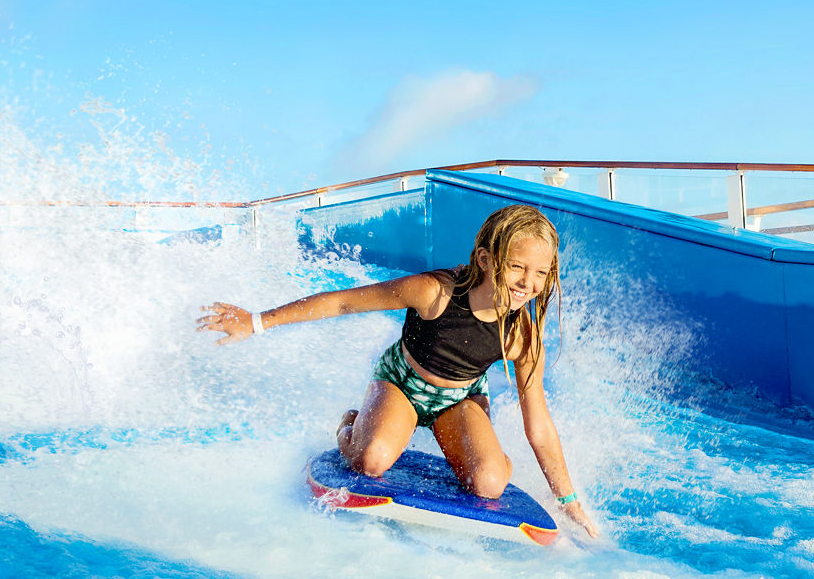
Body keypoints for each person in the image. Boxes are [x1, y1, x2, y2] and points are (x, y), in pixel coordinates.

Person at [197, 203, 598, 537]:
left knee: (490, 484)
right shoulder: (434, 292)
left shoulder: (522, 336)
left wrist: (568, 501)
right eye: (516, 267)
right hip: (402, 384)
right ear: (485, 260)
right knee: (372, 460)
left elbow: (538, 424)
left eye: (541, 273)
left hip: (459, 399)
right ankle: (351, 425)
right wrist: (257, 321)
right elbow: (343, 302)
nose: (528, 283)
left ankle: (490, 457)